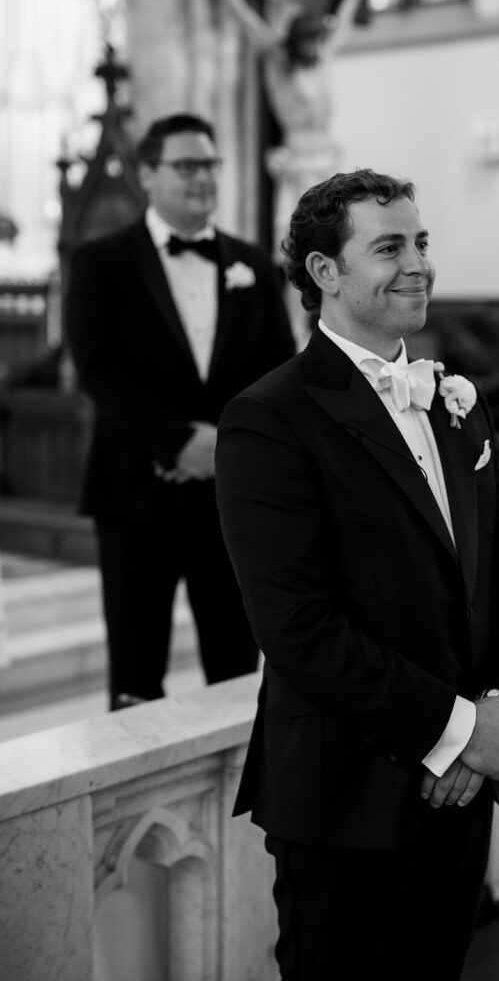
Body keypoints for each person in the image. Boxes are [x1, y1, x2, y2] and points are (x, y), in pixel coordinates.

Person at [215, 169, 499, 981]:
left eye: (421, 242)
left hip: (462, 794)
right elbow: (299, 630)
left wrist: (495, 714)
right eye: (389, 246)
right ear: (325, 273)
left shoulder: (454, 401)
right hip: (346, 799)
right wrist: (458, 732)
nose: (418, 264)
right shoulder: (269, 418)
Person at [66, 112, 295, 711]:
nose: (203, 178)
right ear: (148, 173)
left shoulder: (253, 265)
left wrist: (224, 448)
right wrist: (173, 442)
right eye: (186, 165)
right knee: (136, 676)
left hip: (230, 499)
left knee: (235, 671)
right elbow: (98, 370)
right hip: (134, 496)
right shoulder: (100, 263)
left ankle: (234, 799)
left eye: (210, 165)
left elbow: (278, 373)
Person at [219, 0, 364, 349]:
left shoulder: (325, 58)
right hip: (296, 165)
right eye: (312, 41)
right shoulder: (277, 63)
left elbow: (343, 26)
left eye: (321, 40)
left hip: (327, 163)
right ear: (298, 41)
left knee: (336, 246)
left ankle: (330, 330)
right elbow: (247, 21)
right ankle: (294, 333)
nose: (318, 47)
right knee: (296, 248)